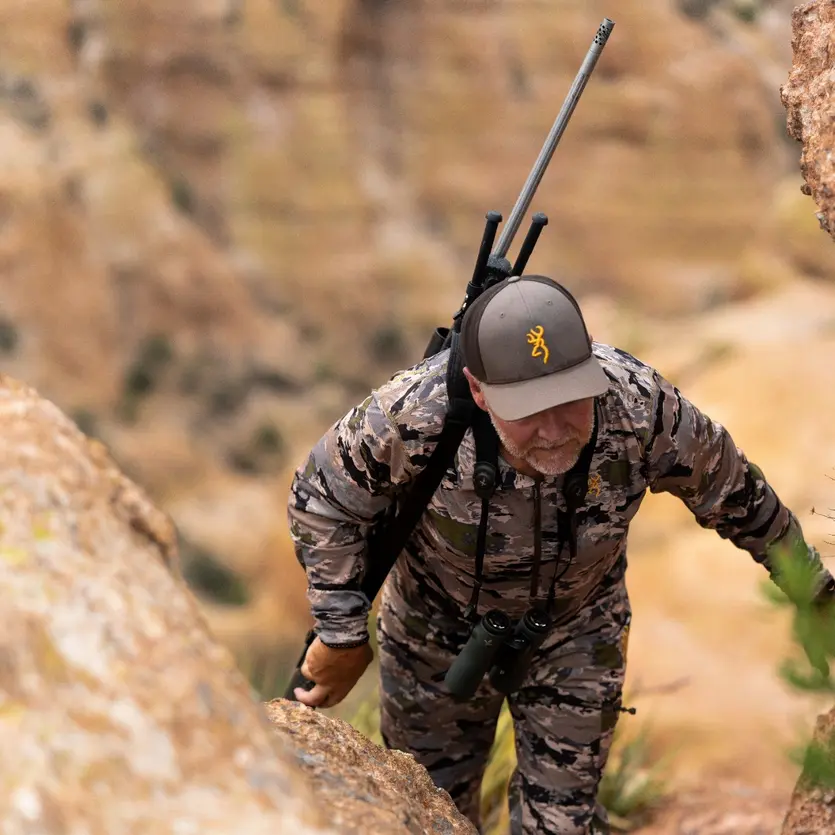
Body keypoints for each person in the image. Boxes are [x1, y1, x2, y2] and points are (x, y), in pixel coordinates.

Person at [286, 274, 833, 835]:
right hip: (434, 634)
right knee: (432, 813)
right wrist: (342, 634)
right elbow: (320, 500)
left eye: (569, 401)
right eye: (527, 410)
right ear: (478, 390)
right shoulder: (413, 414)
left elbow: (736, 492)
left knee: (563, 826)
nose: (552, 430)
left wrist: (812, 593)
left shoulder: (637, 407)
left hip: (577, 630)